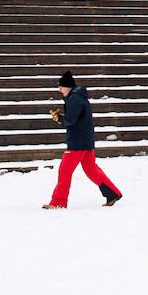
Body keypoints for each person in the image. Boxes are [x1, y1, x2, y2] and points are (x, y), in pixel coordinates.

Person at [43, 71, 123, 209]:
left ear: (67, 87)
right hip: (86, 140)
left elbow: (70, 120)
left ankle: (58, 202)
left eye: (61, 87)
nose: (59, 90)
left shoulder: (75, 99)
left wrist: (59, 118)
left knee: (65, 171)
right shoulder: (78, 97)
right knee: (91, 169)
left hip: (77, 143)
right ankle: (112, 193)